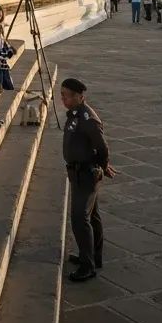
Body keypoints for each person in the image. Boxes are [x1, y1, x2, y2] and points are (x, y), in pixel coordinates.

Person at [60, 77, 116, 282]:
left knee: (79, 219)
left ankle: (87, 265)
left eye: (68, 96)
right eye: (62, 95)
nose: (64, 99)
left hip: (86, 174)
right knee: (92, 216)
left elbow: (102, 147)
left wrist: (102, 166)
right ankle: (93, 256)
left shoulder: (88, 118)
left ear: (80, 97)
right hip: (77, 173)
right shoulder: (75, 114)